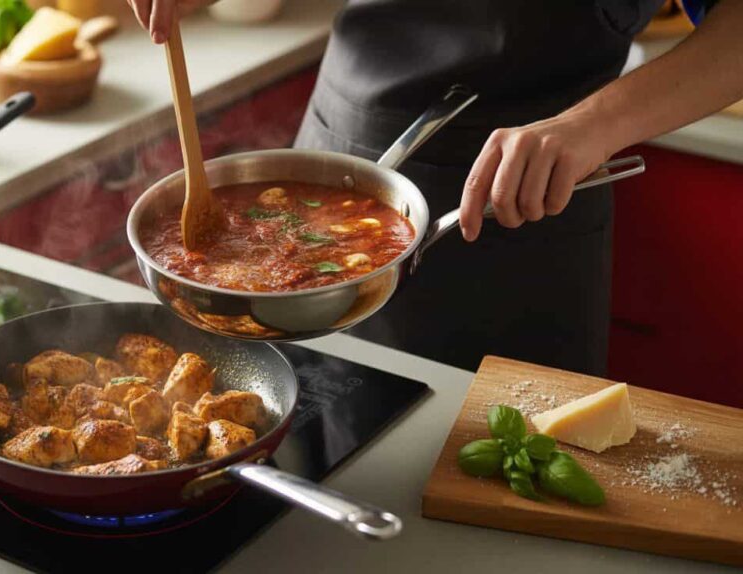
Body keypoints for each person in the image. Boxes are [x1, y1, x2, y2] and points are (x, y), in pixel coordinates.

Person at [126, 0, 743, 376]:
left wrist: (595, 124)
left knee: (502, 483)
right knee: (314, 434)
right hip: (337, 139)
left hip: (535, 180)